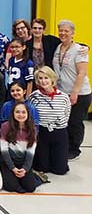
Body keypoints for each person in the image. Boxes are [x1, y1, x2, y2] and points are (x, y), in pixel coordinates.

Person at [52, 20, 91, 161]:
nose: (62, 33)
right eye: (60, 30)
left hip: (79, 93)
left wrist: (75, 93)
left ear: (73, 33)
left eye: (66, 31)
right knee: (64, 121)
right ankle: (66, 147)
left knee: (75, 121)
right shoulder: (58, 48)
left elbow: (81, 73)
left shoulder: (80, 50)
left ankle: (75, 149)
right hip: (63, 92)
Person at [28, 66, 70, 175]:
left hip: (59, 132)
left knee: (60, 170)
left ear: (52, 79)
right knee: (42, 168)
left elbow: (66, 114)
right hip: (42, 132)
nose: (43, 81)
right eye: (40, 78)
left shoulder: (64, 97)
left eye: (46, 78)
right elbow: (31, 115)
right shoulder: (34, 96)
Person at [0, 102, 38, 193]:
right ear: (13, 113)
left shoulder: (33, 129)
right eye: (17, 112)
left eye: (23, 112)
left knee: (30, 187)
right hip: (8, 161)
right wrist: (13, 168)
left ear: (28, 114)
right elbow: (4, 150)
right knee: (11, 186)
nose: (20, 115)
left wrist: (25, 169)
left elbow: (31, 152)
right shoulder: (5, 126)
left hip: (23, 161)